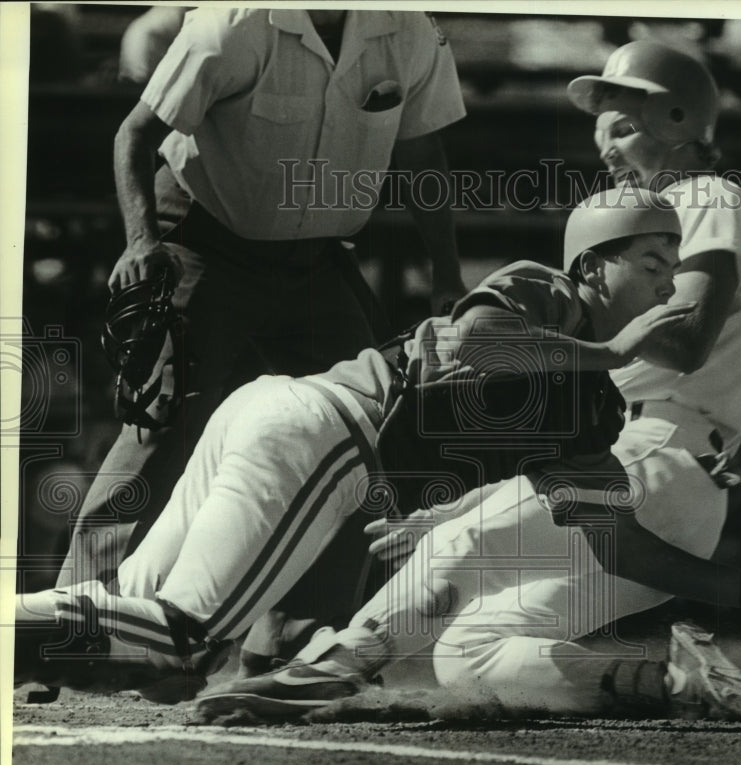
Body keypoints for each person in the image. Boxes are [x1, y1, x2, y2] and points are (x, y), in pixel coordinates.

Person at [193, 40, 741, 720]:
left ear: (679, 119)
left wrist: (600, 348)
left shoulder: (702, 194)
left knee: (454, 551)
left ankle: (324, 675)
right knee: (470, 650)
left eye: (622, 127)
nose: (608, 152)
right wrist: (468, 504)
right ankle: (679, 682)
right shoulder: (677, 224)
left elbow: (685, 339)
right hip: (666, 477)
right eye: (602, 134)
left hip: (661, 455)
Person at [16, 189, 703, 705]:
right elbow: (478, 342)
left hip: (285, 422)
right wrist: (611, 348)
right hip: (326, 433)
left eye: (674, 271)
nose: (668, 286)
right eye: (650, 263)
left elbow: (616, 537)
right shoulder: (552, 292)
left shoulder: (599, 402)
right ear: (591, 266)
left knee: (154, 647)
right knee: (181, 633)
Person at [56, 8, 468, 595]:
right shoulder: (232, 26)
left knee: (358, 431)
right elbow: (135, 134)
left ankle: (291, 641)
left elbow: (424, 152)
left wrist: (446, 272)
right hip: (205, 239)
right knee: (161, 421)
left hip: (316, 260)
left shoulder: (409, 30)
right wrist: (142, 240)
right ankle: (79, 614)